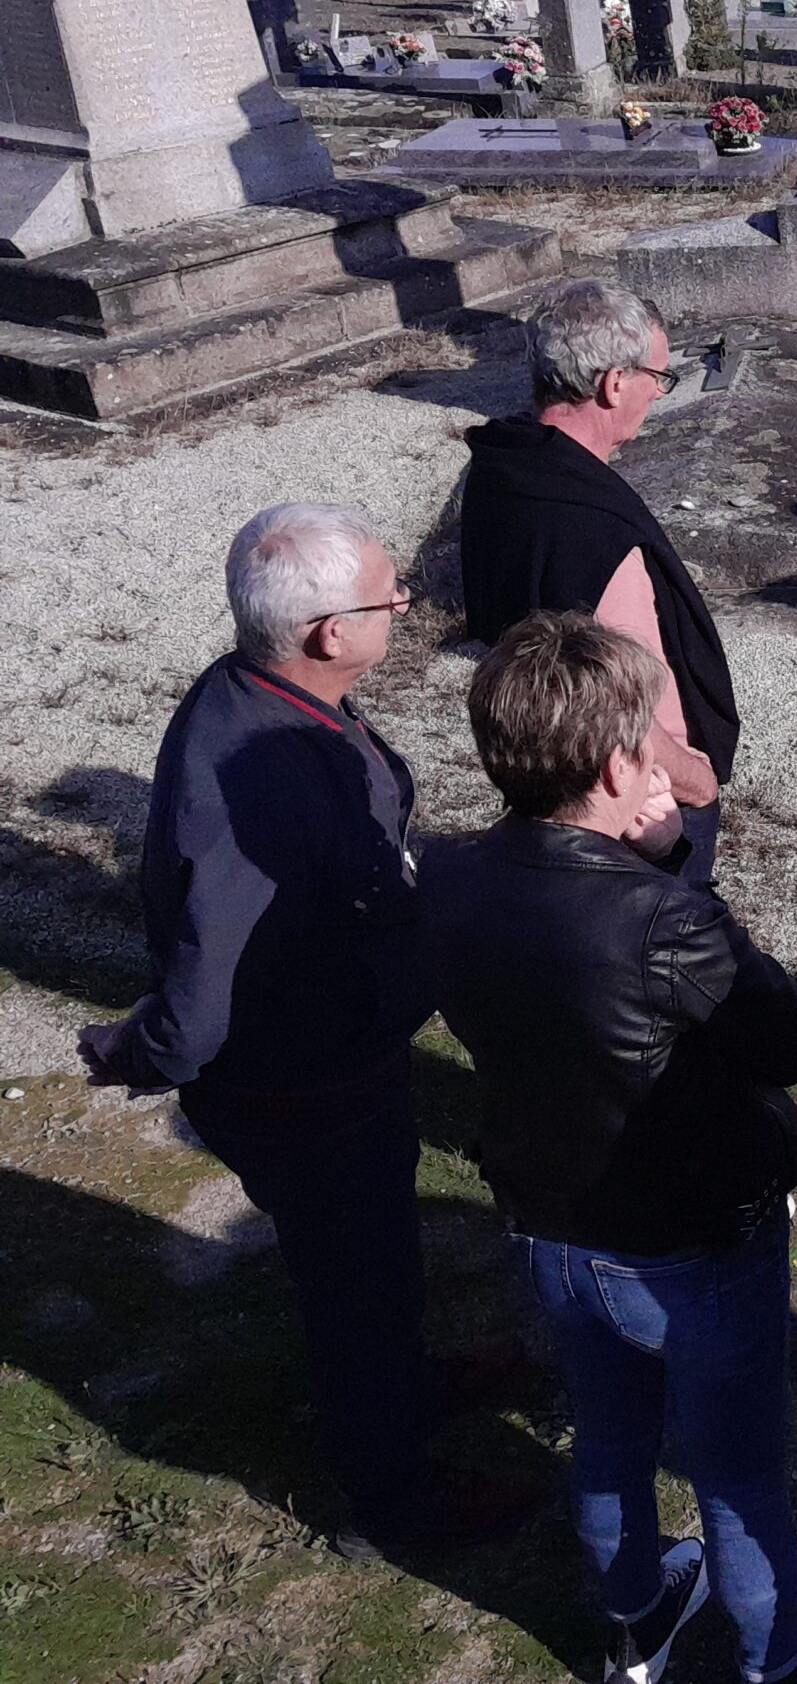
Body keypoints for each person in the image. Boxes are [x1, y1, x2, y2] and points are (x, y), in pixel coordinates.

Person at [421, 612, 797, 1684]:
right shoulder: (658, 917)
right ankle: (776, 1661)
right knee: (737, 1473)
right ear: (615, 766)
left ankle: (636, 1614)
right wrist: (678, 871)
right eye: (651, 740)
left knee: (609, 1436)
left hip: (549, 1221)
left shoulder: (446, 874)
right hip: (687, 1243)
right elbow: (786, 1039)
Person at [76, 504, 541, 1558]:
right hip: (304, 1090)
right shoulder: (259, 790)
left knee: (377, 1263)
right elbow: (204, 992)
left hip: (345, 1058)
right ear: (330, 634)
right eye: (392, 598)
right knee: (354, 1290)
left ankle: (410, 1387)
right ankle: (395, 1498)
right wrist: (134, 1050)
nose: (406, 604)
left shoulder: (257, 692)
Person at [459, 279, 738, 888]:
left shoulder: (503, 471)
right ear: (614, 383)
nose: (657, 394)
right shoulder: (591, 527)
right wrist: (696, 781)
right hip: (637, 799)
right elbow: (617, 705)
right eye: (657, 378)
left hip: (551, 782)